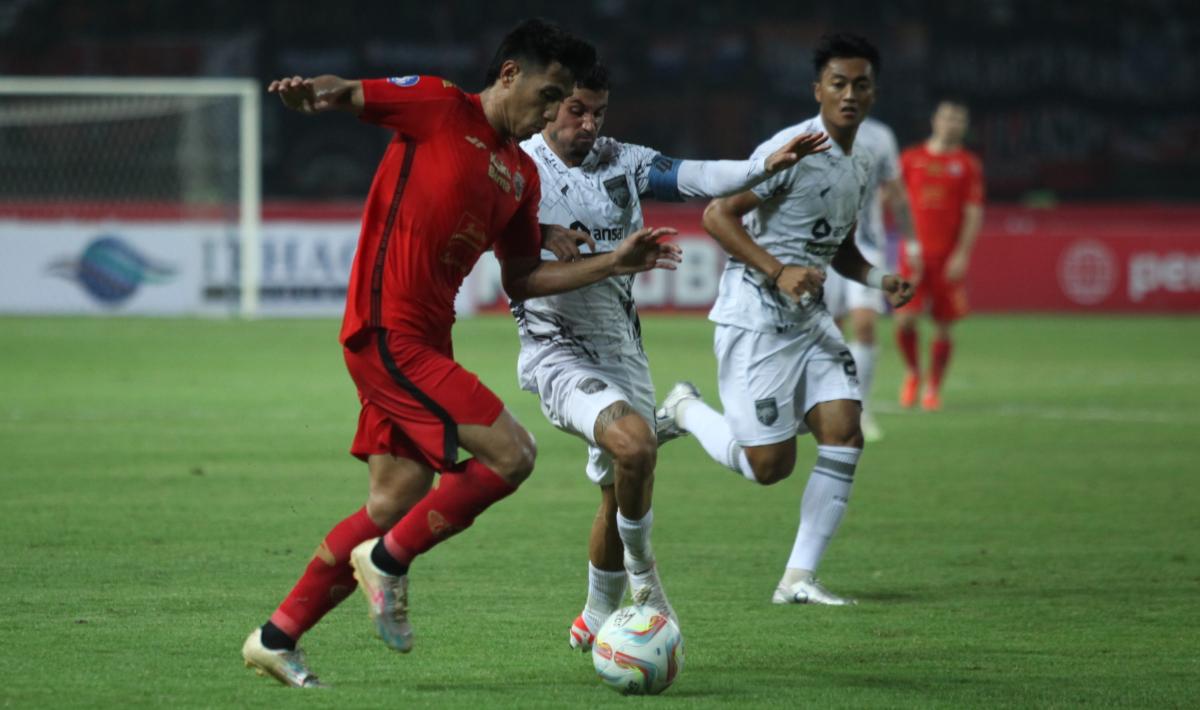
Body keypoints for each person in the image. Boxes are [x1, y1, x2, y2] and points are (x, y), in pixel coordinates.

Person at [240, 19, 682, 688]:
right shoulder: (440, 106)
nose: (551, 109)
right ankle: (388, 562)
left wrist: (613, 263)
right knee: (513, 454)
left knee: (396, 498)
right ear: (509, 75)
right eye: (547, 93)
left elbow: (524, 279)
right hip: (386, 329)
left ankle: (276, 637)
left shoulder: (520, 174)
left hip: (425, 338)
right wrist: (316, 94)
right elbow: (350, 93)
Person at [516, 64, 830, 651]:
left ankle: (593, 613)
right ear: (550, 104)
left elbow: (696, 175)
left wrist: (764, 165)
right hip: (555, 349)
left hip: (622, 349)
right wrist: (545, 234)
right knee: (634, 445)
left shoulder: (622, 161)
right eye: (577, 110)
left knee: (621, 484)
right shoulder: (518, 169)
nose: (588, 124)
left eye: (599, 113)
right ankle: (645, 581)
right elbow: (503, 253)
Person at [656, 33, 913, 606]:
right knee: (768, 466)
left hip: (809, 319)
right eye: (838, 83)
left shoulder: (862, 160)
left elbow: (836, 244)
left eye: (860, 84)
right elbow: (718, 215)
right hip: (756, 321)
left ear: (873, 92)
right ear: (818, 89)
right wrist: (777, 271)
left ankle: (797, 578)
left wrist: (877, 279)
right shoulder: (792, 149)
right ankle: (684, 409)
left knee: (845, 430)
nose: (849, 93)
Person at [822, 116, 921, 441]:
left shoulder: (881, 136)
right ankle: (829, 405)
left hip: (866, 244)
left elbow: (896, 191)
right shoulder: (813, 132)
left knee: (864, 324)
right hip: (821, 242)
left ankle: (858, 410)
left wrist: (912, 241)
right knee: (830, 328)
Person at [894, 99, 984, 411]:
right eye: (947, 117)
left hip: (947, 257)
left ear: (964, 126)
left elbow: (973, 212)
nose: (951, 123)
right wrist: (907, 243)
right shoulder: (910, 158)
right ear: (935, 120)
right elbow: (898, 203)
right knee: (905, 319)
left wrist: (962, 254)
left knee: (944, 324)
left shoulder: (967, 164)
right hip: (913, 256)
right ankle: (913, 373)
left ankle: (933, 388)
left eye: (958, 119)